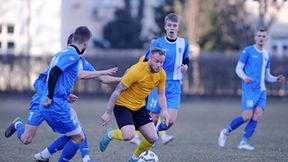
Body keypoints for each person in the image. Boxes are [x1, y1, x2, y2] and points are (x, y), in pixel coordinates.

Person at [32, 33, 122, 162]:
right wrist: (102, 71)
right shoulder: (67, 57)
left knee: (75, 132)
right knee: (74, 133)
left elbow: (101, 78)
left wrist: (123, 79)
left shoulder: (81, 61)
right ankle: (83, 159)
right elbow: (80, 75)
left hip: (58, 100)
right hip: (46, 100)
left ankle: (44, 155)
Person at [218, 28, 286, 150]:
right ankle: (225, 132)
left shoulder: (267, 55)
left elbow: (267, 75)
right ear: (255, 38)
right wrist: (245, 77)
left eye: (263, 36)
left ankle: (243, 142)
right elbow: (238, 69)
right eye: (259, 36)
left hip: (261, 91)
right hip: (249, 90)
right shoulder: (247, 51)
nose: (261, 38)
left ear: (266, 39)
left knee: (256, 115)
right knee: (247, 116)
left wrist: (276, 79)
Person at [98, 48, 169, 162]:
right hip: (123, 105)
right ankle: (110, 134)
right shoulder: (136, 70)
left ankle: (134, 158)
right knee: (128, 135)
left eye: (162, 62)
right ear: (150, 58)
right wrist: (107, 112)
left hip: (139, 107)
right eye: (157, 61)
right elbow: (117, 91)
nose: (159, 65)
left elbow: (161, 94)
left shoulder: (161, 74)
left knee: (153, 137)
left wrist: (165, 111)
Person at [144, 13, 190, 140]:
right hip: (157, 84)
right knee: (153, 117)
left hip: (174, 85)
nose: (172, 28)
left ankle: (157, 131)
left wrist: (185, 66)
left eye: (174, 26)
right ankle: (145, 149)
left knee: (169, 121)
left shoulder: (184, 43)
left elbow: (186, 59)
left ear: (178, 28)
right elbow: (147, 60)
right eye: (169, 25)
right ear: (165, 27)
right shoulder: (158, 43)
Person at [130, 36, 174, 145]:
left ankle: (160, 136)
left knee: (155, 114)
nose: (155, 46)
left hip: (154, 88)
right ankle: (136, 135)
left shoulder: (161, 60)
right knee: (149, 114)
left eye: (156, 44)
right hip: (144, 90)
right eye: (153, 44)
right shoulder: (144, 58)